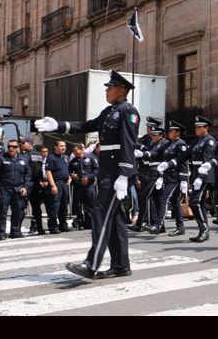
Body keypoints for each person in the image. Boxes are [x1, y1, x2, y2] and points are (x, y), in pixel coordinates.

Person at [35, 70, 139, 279]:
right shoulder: (108, 112)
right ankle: (121, 265)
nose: (107, 90)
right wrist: (59, 125)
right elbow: (85, 125)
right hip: (108, 172)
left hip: (116, 173)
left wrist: (124, 174)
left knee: (100, 213)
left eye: (110, 87)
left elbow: (129, 143)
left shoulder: (128, 111)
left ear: (122, 90)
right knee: (116, 219)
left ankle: (91, 264)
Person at [145, 121, 190, 236]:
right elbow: (155, 152)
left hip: (177, 177)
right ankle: (180, 227)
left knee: (164, 199)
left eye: (171, 131)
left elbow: (183, 161)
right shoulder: (169, 144)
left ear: (178, 132)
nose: (169, 133)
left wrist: (184, 179)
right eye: (169, 131)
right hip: (168, 177)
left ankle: (158, 225)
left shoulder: (181, 144)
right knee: (175, 202)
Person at [0, 139, 31, 239]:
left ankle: (15, 231)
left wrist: (25, 187)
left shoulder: (23, 159)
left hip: (18, 189)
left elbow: (27, 175)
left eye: (14, 147)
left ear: (18, 148)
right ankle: (0, 233)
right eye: (9, 146)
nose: (11, 148)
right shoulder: (1, 158)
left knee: (18, 211)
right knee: (2, 212)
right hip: (4, 189)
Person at [130, 126, 168, 233]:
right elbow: (147, 149)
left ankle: (144, 223)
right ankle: (160, 225)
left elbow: (154, 153)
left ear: (161, 135)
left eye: (155, 135)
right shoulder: (153, 143)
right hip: (151, 173)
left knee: (144, 196)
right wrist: (135, 145)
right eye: (152, 135)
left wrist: (144, 153)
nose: (152, 137)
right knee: (157, 199)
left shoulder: (163, 143)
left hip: (158, 173)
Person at [186, 116, 217, 243]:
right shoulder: (196, 141)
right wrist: (171, 162)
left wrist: (200, 178)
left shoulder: (209, 141)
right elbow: (186, 155)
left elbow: (206, 162)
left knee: (195, 202)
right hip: (196, 176)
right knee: (200, 203)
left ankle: (204, 229)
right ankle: (203, 230)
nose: (196, 129)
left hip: (204, 176)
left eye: (199, 127)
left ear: (206, 128)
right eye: (196, 127)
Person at [69, 143, 99, 230]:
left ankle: (90, 223)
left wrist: (88, 178)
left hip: (89, 185)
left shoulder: (91, 157)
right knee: (78, 205)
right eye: (73, 151)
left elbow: (96, 169)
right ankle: (80, 223)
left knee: (90, 204)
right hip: (78, 185)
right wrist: (72, 175)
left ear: (81, 149)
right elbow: (70, 172)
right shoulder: (73, 161)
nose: (74, 152)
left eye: (76, 150)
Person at [44, 140, 71, 234]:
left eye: (65, 146)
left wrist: (69, 177)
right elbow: (48, 172)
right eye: (61, 146)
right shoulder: (51, 158)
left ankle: (63, 225)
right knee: (54, 206)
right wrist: (52, 185)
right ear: (55, 147)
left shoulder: (65, 158)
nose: (64, 147)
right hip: (56, 183)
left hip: (64, 184)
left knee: (64, 206)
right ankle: (53, 226)